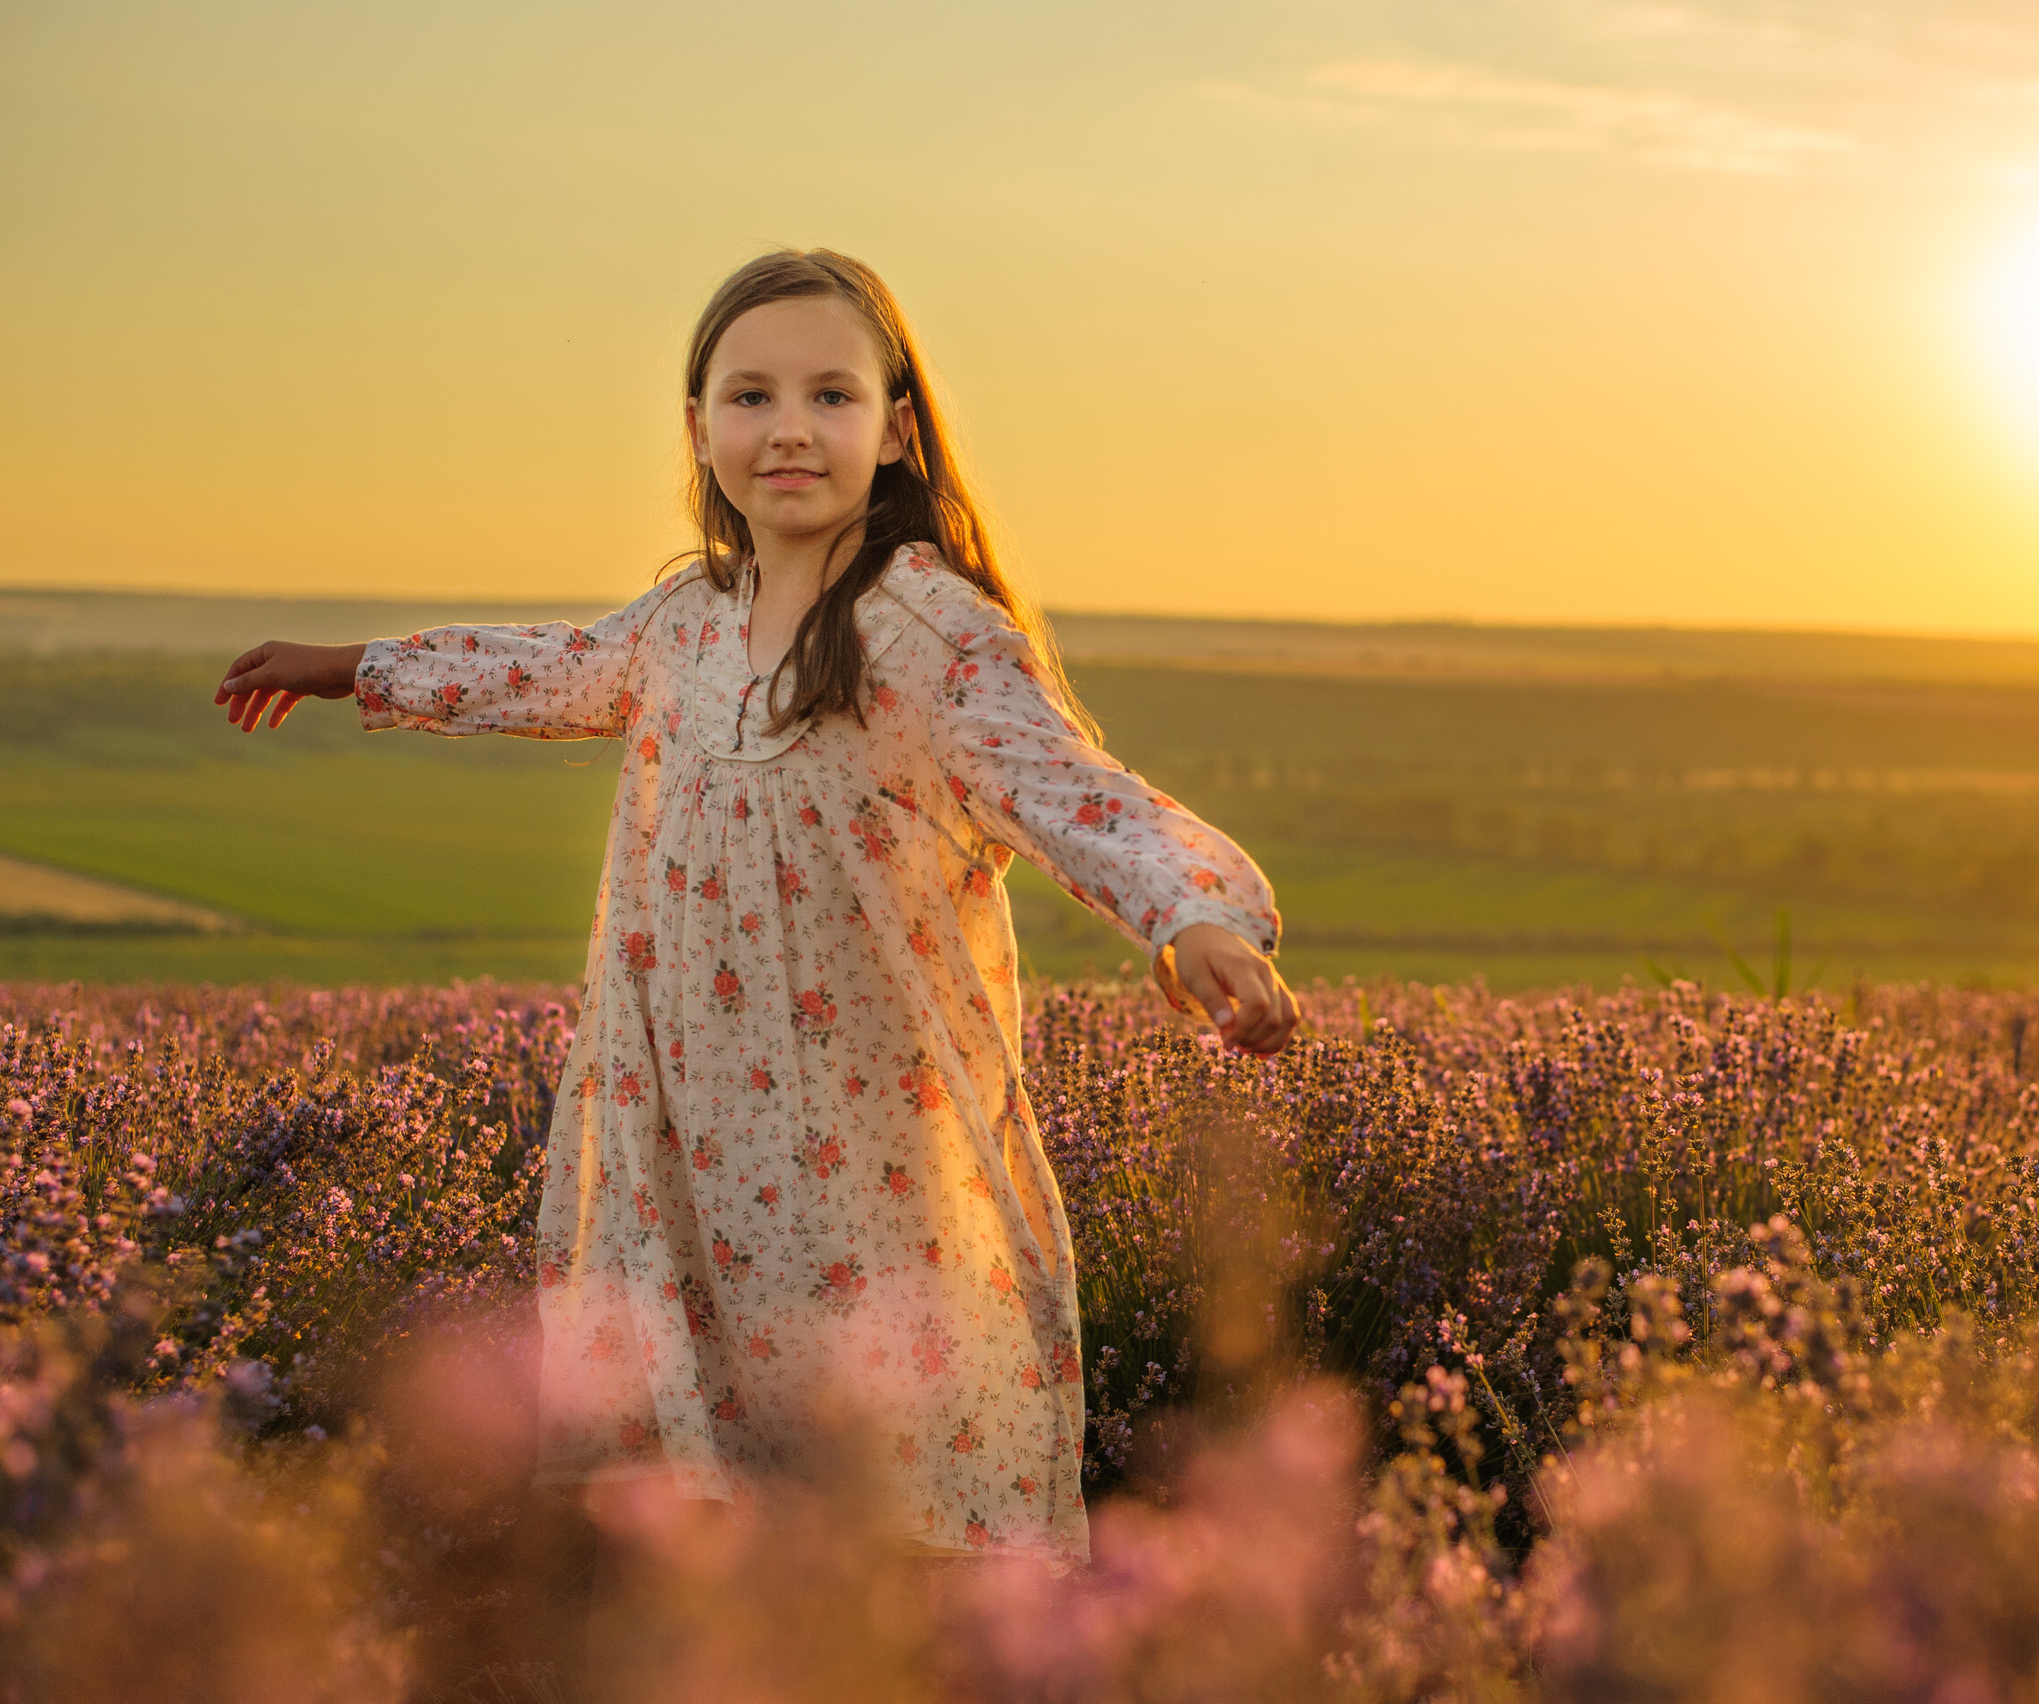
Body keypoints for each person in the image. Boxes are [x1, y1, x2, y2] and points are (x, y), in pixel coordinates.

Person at [212, 249, 1298, 1568]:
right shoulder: (685, 622)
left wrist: (1196, 915)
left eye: (832, 396)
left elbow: (1075, 792)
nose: (789, 429)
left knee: (881, 1481)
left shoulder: (937, 639)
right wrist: (352, 667)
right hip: (684, 1123)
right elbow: (550, 671)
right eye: (750, 397)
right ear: (697, 428)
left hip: (867, 1147)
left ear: (896, 430)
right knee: (708, 1495)